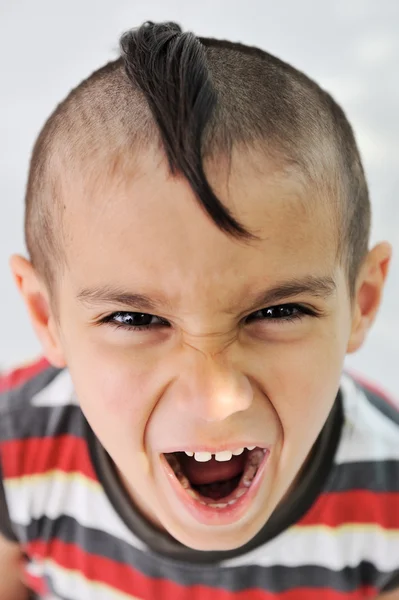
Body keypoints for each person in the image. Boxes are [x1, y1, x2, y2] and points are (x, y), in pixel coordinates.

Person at [0, 20, 398, 600]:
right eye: (136, 320)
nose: (217, 399)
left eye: (278, 312)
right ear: (45, 316)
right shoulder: (17, 446)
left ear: (361, 302)